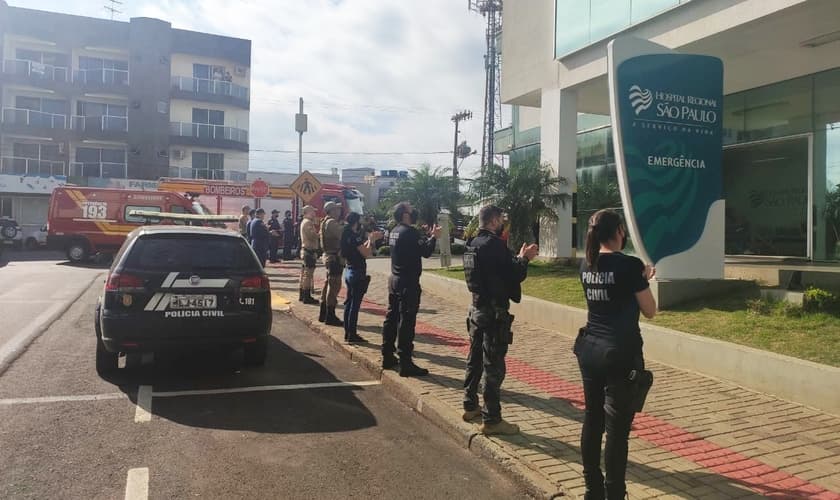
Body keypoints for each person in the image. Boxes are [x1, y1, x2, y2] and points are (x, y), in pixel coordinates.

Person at [576, 209, 656, 500]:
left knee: (592, 420)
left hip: (590, 350)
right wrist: (644, 277)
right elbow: (650, 310)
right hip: (620, 355)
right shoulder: (629, 266)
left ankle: (592, 490)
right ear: (620, 231)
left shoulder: (586, 263)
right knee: (617, 431)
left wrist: (639, 276)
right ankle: (614, 494)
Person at [462, 205, 539, 436]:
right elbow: (513, 274)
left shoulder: (472, 244)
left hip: (476, 309)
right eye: (501, 219)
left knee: (474, 359)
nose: (503, 223)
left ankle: (470, 405)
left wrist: (516, 258)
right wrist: (524, 259)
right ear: (494, 221)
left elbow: (495, 271)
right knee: (493, 367)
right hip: (493, 313)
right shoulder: (494, 245)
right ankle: (492, 419)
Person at [380, 202, 441, 377]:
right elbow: (427, 252)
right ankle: (405, 362)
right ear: (405, 214)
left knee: (391, 318)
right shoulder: (410, 232)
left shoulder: (394, 231)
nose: (414, 210)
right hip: (408, 282)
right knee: (407, 322)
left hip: (395, 279)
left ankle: (387, 354)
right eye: (410, 209)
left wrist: (426, 236)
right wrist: (434, 237)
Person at [340, 212, 381, 343]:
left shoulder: (345, 234)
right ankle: (352, 334)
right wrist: (371, 240)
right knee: (354, 305)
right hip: (357, 271)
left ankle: (347, 332)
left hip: (349, 269)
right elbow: (366, 253)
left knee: (349, 302)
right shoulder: (354, 236)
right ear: (356, 222)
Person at [319, 202, 344, 326]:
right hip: (334, 257)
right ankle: (330, 315)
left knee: (328, 284)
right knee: (334, 286)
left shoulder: (325, 222)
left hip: (329, 256)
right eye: (336, 209)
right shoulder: (332, 223)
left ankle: (323, 313)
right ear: (331, 211)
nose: (339, 212)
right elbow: (342, 235)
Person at [298, 205, 320, 305]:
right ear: (307, 212)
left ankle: (302, 294)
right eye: (312, 211)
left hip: (306, 250)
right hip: (309, 251)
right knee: (308, 274)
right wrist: (319, 234)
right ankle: (306, 296)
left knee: (305, 274)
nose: (314, 213)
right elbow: (312, 236)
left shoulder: (305, 222)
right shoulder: (308, 223)